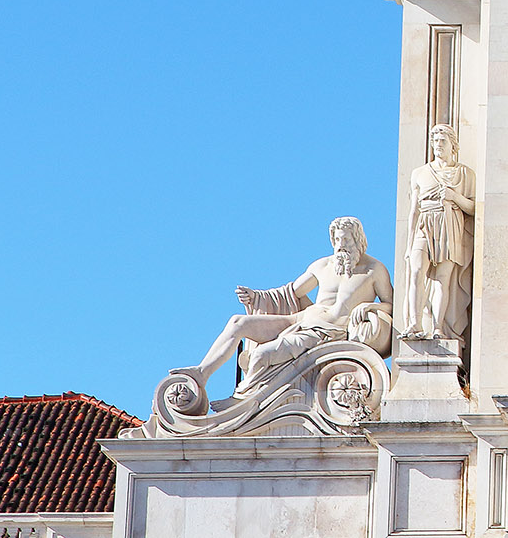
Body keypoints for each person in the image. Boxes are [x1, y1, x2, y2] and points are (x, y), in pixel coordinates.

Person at [171, 217, 392, 392]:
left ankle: (245, 401)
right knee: (238, 322)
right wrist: (256, 297)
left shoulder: (374, 270)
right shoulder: (322, 265)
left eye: (346, 240)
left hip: (326, 332)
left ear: (357, 239)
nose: (340, 246)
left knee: (260, 356)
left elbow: (392, 305)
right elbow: (290, 293)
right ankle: (202, 373)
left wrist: (370, 308)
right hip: (302, 320)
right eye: (336, 240)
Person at [406, 124, 475, 341]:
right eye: (435, 141)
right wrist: (409, 245)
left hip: (450, 223)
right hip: (425, 225)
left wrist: (455, 197)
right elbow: (413, 211)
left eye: (442, 141)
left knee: (442, 279)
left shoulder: (465, 173)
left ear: (452, 145)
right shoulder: (420, 173)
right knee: (416, 272)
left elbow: (473, 208)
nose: (438, 145)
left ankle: (438, 327)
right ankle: (414, 324)